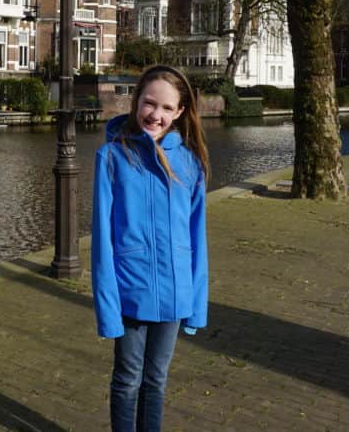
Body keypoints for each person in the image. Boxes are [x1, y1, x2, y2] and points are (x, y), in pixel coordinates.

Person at [91, 65, 210, 431]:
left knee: (156, 381)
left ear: (180, 112)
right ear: (136, 100)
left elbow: (196, 238)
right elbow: (102, 242)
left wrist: (196, 305)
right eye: (149, 103)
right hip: (130, 293)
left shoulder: (190, 164)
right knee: (128, 380)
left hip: (175, 294)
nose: (155, 115)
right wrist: (108, 309)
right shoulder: (112, 158)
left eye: (165, 108)